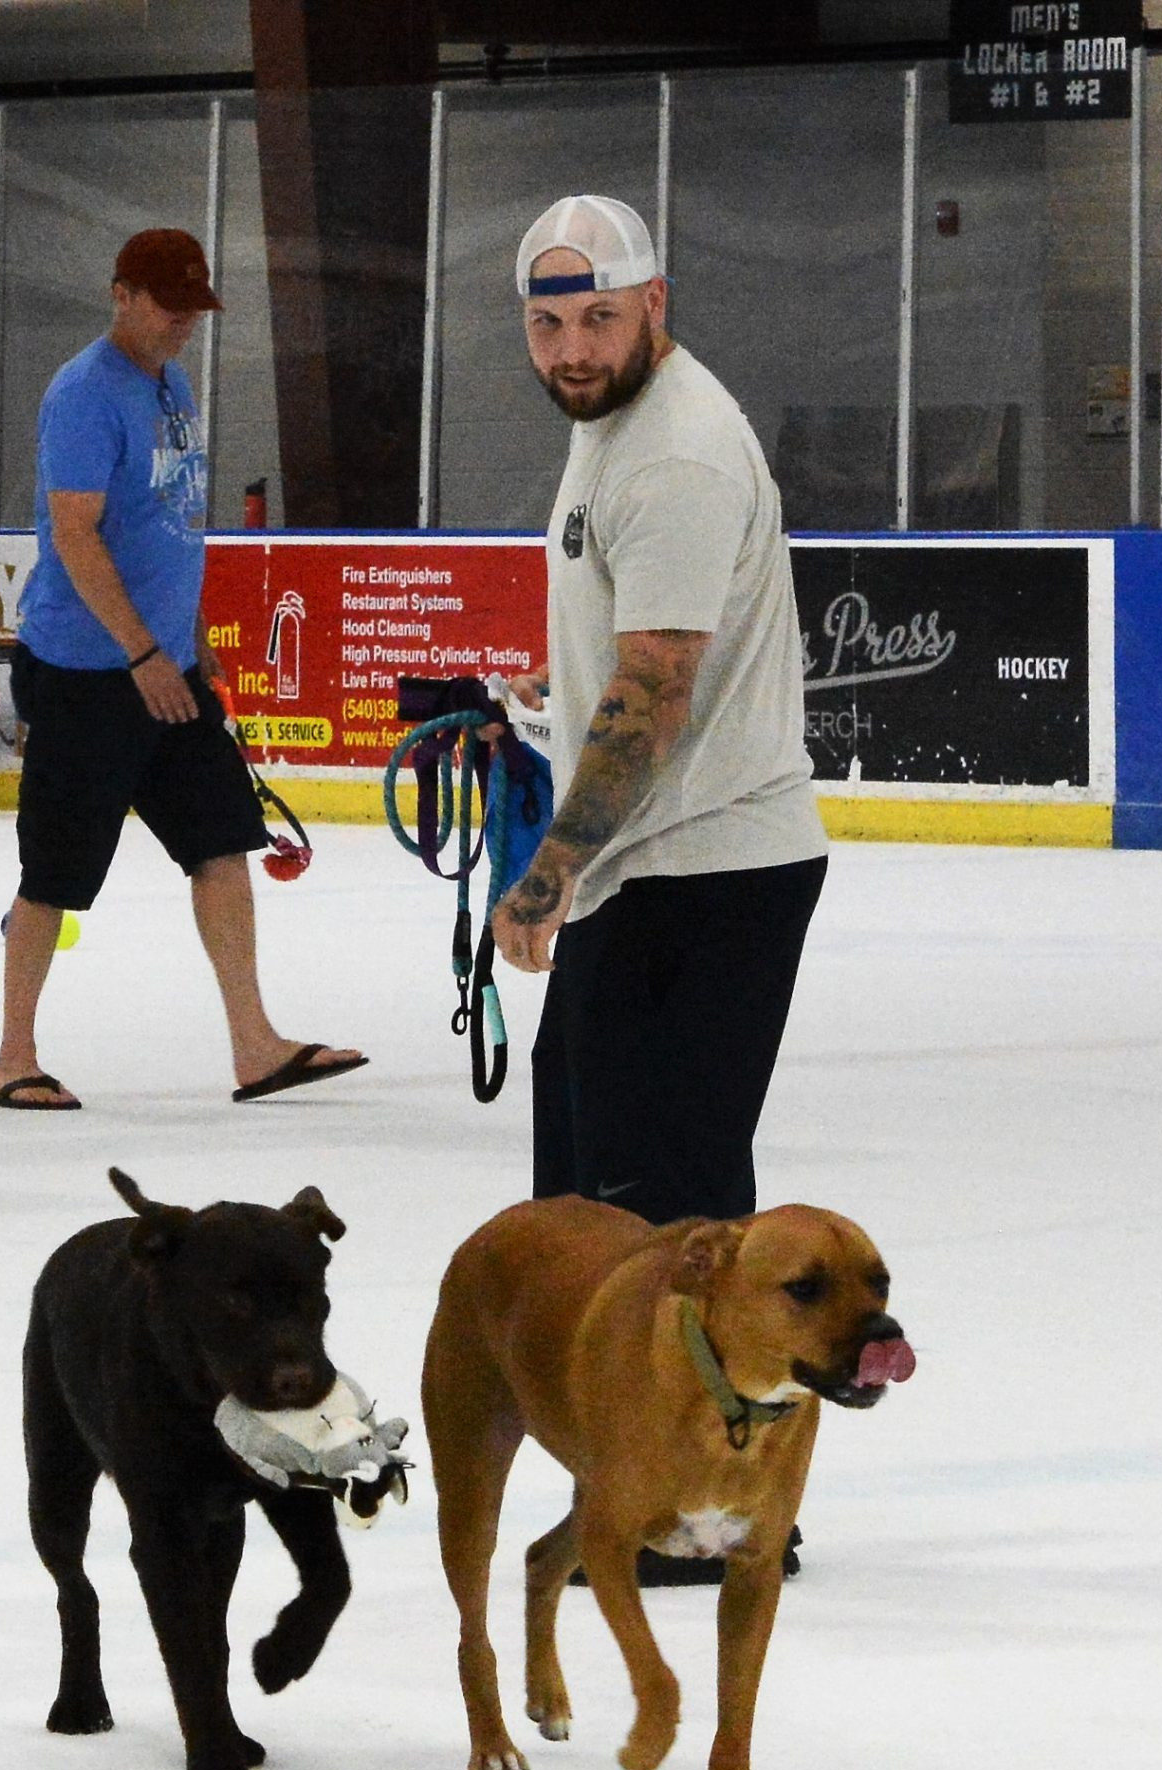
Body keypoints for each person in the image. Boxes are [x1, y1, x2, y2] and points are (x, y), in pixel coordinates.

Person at [489, 195, 830, 1586]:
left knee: (666, 1224)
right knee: (587, 1209)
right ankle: (646, 1481)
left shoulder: (676, 452)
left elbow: (658, 686)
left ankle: (712, 1513)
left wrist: (549, 866)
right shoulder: (615, 430)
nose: (573, 347)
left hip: (707, 877)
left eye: (598, 318)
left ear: (656, 304)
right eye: (550, 322)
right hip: (660, 870)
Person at [0, 229, 366, 1113]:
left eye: (196, 306)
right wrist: (145, 652)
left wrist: (191, 645)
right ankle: (12, 1057)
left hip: (167, 670)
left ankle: (254, 1044)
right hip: (90, 672)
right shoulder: (84, 393)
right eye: (170, 304)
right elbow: (74, 536)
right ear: (121, 294)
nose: (186, 321)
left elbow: (167, 527)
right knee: (55, 873)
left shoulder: (174, 385)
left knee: (221, 840)